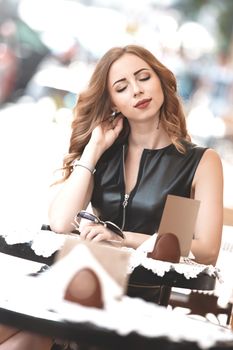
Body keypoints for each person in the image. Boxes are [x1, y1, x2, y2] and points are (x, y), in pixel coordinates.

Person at [48, 44, 223, 300]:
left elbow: (206, 251)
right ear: (112, 102)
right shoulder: (105, 152)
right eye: (121, 87)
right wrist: (94, 148)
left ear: (161, 80)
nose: (137, 90)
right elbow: (61, 223)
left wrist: (121, 238)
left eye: (143, 77)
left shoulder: (198, 162)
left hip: (142, 295)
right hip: (85, 280)